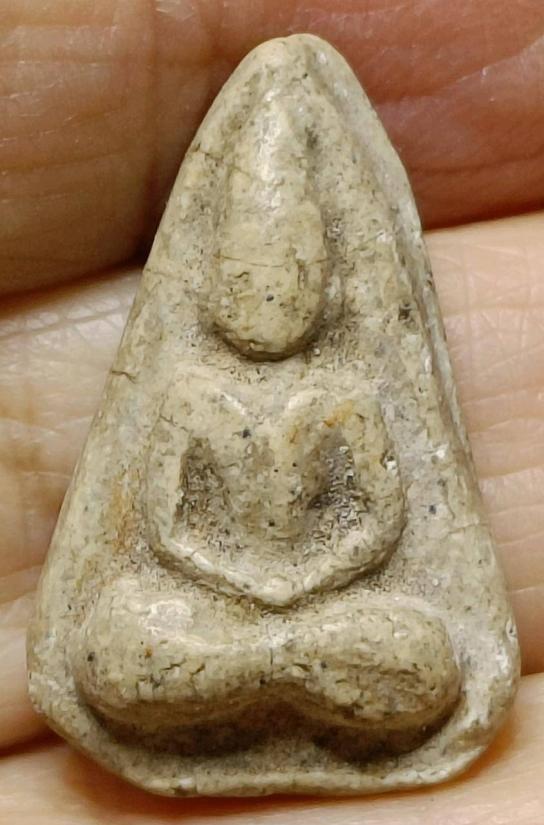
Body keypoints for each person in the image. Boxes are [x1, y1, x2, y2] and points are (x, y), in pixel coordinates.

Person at [1, 1, 543, 820]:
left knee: (424, 653)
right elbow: (167, 524)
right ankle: (273, 666)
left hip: (327, 605)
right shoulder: (191, 393)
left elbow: (378, 523)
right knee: (113, 642)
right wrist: (236, 581)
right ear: (210, 280)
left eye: (287, 285)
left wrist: (307, 583)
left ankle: (271, 665)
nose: (262, 305)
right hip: (212, 603)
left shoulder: (344, 394)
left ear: (326, 288)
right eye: (241, 285)